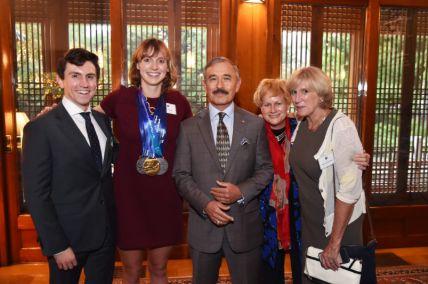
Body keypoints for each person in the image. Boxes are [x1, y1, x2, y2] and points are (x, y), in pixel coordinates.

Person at [253, 78, 370, 284]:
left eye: (278, 103)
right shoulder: (253, 132)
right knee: (268, 273)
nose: (272, 109)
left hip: (301, 213)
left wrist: (357, 157)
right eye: (266, 104)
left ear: (288, 104)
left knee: (307, 269)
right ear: (259, 108)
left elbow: (331, 153)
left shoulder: (300, 126)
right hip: (266, 215)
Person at [173, 57, 273, 284]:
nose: (220, 84)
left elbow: (265, 169)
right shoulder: (188, 128)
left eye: (227, 78)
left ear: (237, 84)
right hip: (203, 227)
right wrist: (205, 205)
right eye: (213, 78)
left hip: (245, 228)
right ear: (205, 85)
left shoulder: (255, 124)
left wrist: (241, 192)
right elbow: (181, 175)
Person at [99, 38, 192, 283]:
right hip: (128, 195)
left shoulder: (179, 103)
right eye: (147, 59)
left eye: (161, 60)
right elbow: (87, 119)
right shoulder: (120, 98)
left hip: (166, 195)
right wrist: (55, 114)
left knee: (159, 269)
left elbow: (191, 144)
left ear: (168, 67)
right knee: (131, 271)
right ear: (137, 66)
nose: (154, 66)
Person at [22, 48, 116, 283]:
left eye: (90, 76)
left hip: (105, 238)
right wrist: (57, 245)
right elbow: (36, 195)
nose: (84, 83)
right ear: (60, 80)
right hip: (67, 242)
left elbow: (102, 172)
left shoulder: (103, 121)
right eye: (75, 75)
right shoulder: (41, 128)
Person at [287, 66, 366, 283]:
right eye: (294, 92)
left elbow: (349, 191)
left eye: (305, 92)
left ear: (321, 94)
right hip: (311, 223)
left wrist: (334, 242)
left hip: (338, 226)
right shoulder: (302, 124)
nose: (297, 98)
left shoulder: (341, 128)